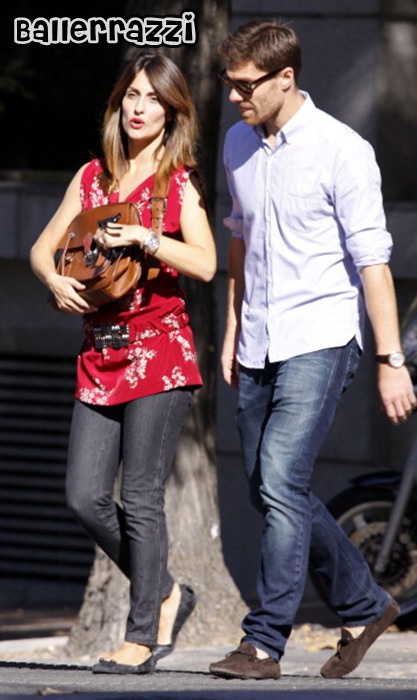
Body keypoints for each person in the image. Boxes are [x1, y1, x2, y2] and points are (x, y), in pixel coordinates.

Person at [209, 20, 416, 681]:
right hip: (257, 338)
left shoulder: (342, 150)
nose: (235, 97)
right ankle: (366, 606)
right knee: (270, 487)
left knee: (277, 480)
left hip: (320, 337)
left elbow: (373, 263)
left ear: (285, 78)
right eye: (229, 84)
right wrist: (232, 327)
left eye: (246, 86)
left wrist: (390, 360)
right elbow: (239, 240)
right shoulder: (237, 142)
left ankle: (262, 642)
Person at [30, 50, 216, 675]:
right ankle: (163, 589)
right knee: (84, 496)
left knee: (139, 496)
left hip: (159, 351)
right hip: (99, 353)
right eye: (131, 96)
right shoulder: (91, 177)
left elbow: (206, 263)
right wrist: (55, 281)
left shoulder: (178, 182)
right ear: (118, 105)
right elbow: (41, 249)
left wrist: (146, 237)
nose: (139, 108)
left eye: (153, 99)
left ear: (171, 114)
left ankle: (141, 637)